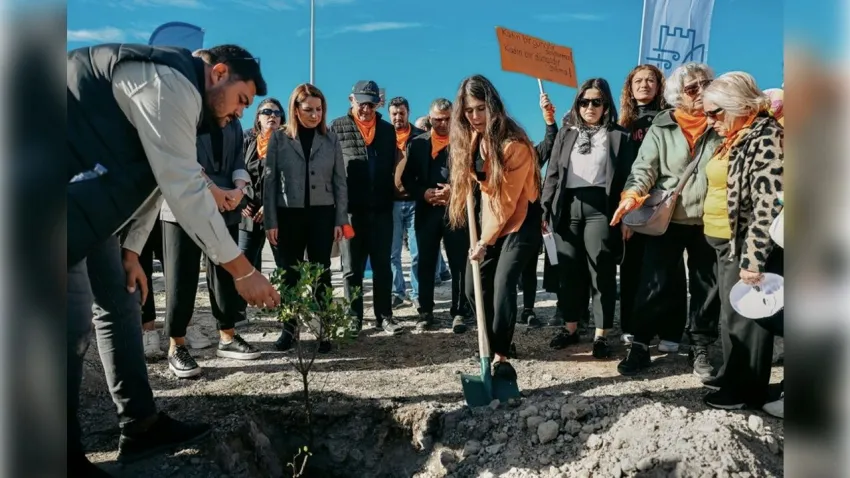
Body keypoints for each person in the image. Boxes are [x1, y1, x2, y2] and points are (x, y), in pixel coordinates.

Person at [67, 43, 279, 475]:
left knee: (123, 301)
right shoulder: (171, 83)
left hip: (91, 211)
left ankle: (140, 425)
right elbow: (183, 187)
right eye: (241, 99)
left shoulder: (185, 96)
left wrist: (131, 249)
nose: (241, 112)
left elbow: (154, 175)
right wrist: (242, 270)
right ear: (219, 72)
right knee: (67, 325)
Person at [611, 62, 722, 380]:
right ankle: (641, 345)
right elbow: (644, 167)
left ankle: (700, 346)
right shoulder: (663, 124)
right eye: (692, 88)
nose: (701, 91)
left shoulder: (723, 121)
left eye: (707, 84)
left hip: (709, 219)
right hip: (670, 219)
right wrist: (631, 197)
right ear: (678, 94)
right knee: (654, 282)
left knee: (707, 286)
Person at [698, 72, 784, 410]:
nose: (710, 120)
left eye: (715, 112)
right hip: (723, 241)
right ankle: (732, 375)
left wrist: (753, 257)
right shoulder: (738, 134)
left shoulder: (766, 137)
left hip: (743, 243)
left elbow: (768, 203)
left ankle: (744, 391)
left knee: (746, 318)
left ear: (740, 104)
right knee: (732, 314)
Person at [447, 74, 541, 381]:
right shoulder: (473, 140)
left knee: (502, 286)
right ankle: (489, 344)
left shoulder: (515, 145)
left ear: (494, 107)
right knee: (473, 288)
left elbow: (508, 202)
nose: (474, 117)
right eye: (469, 111)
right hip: (490, 222)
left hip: (519, 222)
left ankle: (501, 356)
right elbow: (479, 190)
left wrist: (485, 241)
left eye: (480, 109)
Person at [542, 78, 633, 359]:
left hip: (600, 208)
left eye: (596, 102)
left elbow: (630, 178)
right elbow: (553, 173)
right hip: (568, 206)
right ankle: (571, 328)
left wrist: (628, 215)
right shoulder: (566, 134)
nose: (590, 107)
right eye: (584, 102)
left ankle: (601, 333)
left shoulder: (619, 136)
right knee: (568, 269)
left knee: (601, 269)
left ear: (606, 106)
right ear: (577, 105)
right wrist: (545, 208)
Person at [264, 83, 351, 348]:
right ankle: (289, 329)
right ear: (295, 110)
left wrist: (340, 219)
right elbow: (268, 182)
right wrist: (270, 220)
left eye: (319, 109)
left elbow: (340, 182)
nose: (315, 115)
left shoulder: (331, 138)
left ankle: (323, 328)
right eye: (308, 110)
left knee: (321, 273)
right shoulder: (279, 138)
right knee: (288, 274)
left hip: (322, 215)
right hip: (288, 215)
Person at [616, 64, 688, 348]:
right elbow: (624, 172)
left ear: (659, 86)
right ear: (630, 88)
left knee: (669, 270)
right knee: (634, 268)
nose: (644, 84)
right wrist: (626, 211)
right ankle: (634, 328)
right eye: (638, 80)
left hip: (666, 205)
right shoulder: (623, 126)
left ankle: (671, 331)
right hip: (633, 206)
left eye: (650, 80)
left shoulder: (670, 119)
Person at [330, 81, 400, 335]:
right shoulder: (337, 127)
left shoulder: (386, 130)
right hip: (351, 212)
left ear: (377, 104)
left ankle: (385, 316)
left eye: (371, 104)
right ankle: (353, 318)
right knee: (351, 268)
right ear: (351, 100)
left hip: (382, 209)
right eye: (361, 103)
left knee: (383, 265)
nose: (366, 109)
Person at [402, 98, 471, 333]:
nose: (442, 123)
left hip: (455, 212)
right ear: (429, 119)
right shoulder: (417, 144)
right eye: (437, 119)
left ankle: (460, 311)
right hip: (425, 211)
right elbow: (406, 179)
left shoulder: (466, 143)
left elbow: (475, 176)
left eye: (447, 119)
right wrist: (424, 193)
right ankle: (425, 311)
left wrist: (455, 191)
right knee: (425, 262)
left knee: (459, 262)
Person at [518, 92, 560, 328]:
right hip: (505, 222)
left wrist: (548, 118)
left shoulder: (534, 155)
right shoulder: (499, 159)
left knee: (529, 269)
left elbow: (551, 140)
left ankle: (528, 309)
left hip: (531, 219)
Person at [239, 98, 285, 271]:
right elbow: (235, 170)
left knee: (285, 266)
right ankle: (249, 299)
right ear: (258, 117)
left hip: (277, 213)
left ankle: (287, 299)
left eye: (277, 113)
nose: (272, 116)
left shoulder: (288, 143)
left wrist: (269, 206)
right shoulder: (246, 139)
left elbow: (290, 178)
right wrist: (241, 201)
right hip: (248, 212)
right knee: (245, 265)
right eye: (267, 112)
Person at [388, 97, 426, 309]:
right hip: (391, 202)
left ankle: (418, 293)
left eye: (401, 113)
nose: (398, 117)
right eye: (394, 113)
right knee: (392, 253)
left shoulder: (420, 137)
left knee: (417, 252)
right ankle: (397, 292)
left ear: (408, 113)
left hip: (414, 202)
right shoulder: (384, 136)